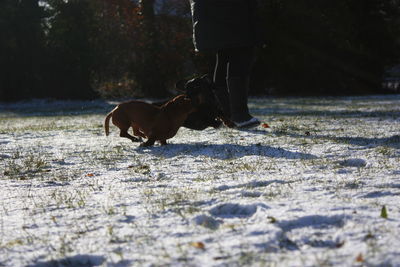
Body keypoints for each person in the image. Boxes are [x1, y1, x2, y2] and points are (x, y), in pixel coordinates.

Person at [189, 0, 261, 128]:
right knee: (239, 57)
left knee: (225, 56)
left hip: (218, 15)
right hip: (231, 14)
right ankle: (239, 114)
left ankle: (229, 113)